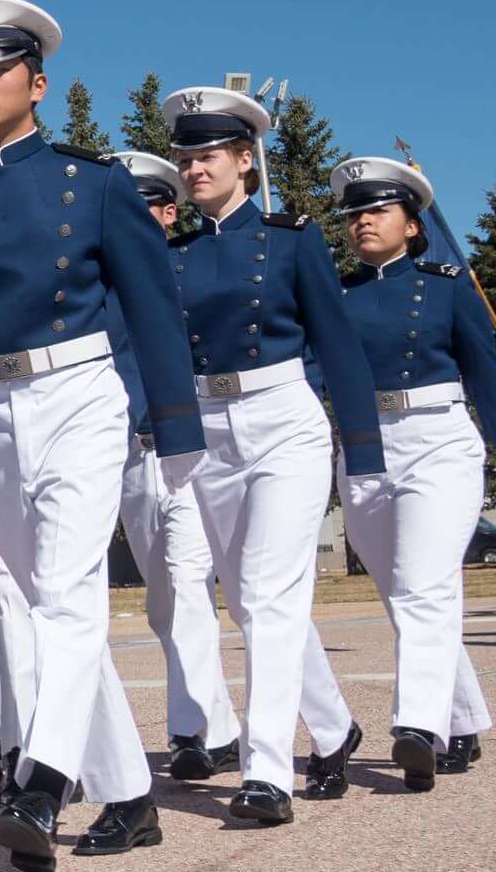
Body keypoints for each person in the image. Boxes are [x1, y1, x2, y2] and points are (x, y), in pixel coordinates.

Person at [0, 0, 200, 872]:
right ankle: (132, 795)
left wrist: (172, 425)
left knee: (68, 595)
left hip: (79, 392)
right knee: (43, 604)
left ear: (38, 81)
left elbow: (153, 308)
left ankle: (40, 778)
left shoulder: (95, 184)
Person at [160, 87, 384, 824]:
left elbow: (341, 346)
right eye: (186, 157)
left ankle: (265, 773)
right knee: (253, 602)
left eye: (208, 156)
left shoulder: (292, 239)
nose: (194, 169)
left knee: (263, 590)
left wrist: (363, 452)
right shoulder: (176, 254)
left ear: (245, 161)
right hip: (210, 426)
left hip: (284, 417)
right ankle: (334, 727)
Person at [331, 158, 496, 785]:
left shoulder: (446, 284)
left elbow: (489, 378)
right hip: (365, 444)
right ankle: (463, 718)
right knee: (407, 597)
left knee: (423, 586)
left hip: (439, 439)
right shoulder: (338, 296)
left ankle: (419, 724)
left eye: (377, 211)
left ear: (414, 226)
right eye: (353, 214)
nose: (362, 221)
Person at [111, 148, 241, 779]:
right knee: (162, 599)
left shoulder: (191, 271)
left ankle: (195, 731)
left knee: (189, 586)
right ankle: (216, 722)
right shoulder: (99, 288)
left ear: (167, 212)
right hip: (131, 455)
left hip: (190, 448)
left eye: (140, 209)